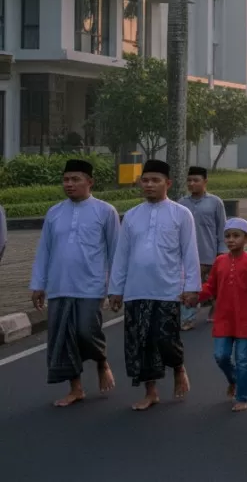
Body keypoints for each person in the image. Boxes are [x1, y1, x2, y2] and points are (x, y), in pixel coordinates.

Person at [108, 160, 201, 411]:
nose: (149, 185)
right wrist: (115, 289)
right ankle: (151, 392)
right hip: (136, 289)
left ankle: (178, 367)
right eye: (145, 180)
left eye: (155, 180)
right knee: (140, 343)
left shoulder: (181, 214)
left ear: (167, 183)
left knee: (166, 338)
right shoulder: (131, 216)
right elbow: (121, 255)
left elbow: (190, 253)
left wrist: (192, 287)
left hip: (168, 288)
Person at [29, 159, 120, 407]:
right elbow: (44, 251)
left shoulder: (105, 211)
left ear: (89, 182)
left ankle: (101, 361)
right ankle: (76, 388)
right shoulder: (54, 212)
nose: (69, 184)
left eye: (75, 179)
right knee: (63, 338)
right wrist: (38, 284)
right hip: (59, 285)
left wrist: (116, 288)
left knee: (85, 331)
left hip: (91, 285)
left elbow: (116, 252)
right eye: (66, 180)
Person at [197, 218, 247, 412]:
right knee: (221, 356)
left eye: (236, 236)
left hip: (245, 319)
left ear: (246, 238)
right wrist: (194, 296)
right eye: (227, 236)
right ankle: (234, 379)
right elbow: (211, 287)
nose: (231, 240)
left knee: (243, 360)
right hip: (224, 318)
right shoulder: (220, 261)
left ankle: (242, 396)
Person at [179, 167, 227, 331]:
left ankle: (215, 308)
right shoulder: (182, 203)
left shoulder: (215, 202)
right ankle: (188, 318)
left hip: (209, 253)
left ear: (205, 182)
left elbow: (222, 229)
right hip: (188, 256)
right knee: (188, 286)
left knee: (213, 288)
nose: (192, 183)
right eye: (189, 180)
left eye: (196, 180)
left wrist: (222, 253)